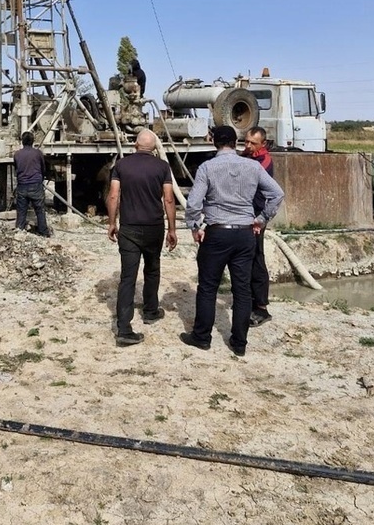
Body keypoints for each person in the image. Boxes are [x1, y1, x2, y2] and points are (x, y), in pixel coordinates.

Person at [182, 125, 284, 357]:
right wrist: (261, 219)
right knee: (242, 289)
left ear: (214, 142)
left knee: (208, 287)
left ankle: (202, 337)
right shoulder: (253, 166)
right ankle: (239, 343)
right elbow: (277, 194)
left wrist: (195, 227)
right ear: (237, 143)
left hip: (217, 232)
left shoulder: (207, 167)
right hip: (245, 233)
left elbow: (194, 203)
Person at [107, 129, 177, 347]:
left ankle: (124, 329)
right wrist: (172, 229)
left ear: (135, 145)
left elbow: (113, 195)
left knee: (128, 277)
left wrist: (111, 223)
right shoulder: (162, 167)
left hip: (129, 228)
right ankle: (150, 310)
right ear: (154, 148)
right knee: (152, 269)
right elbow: (168, 199)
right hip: (153, 227)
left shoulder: (121, 166)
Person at [244, 126, 274, 327]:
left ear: (262, 144)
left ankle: (262, 307)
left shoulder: (264, 162)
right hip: (244, 216)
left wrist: (260, 219)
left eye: (252, 143)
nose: (247, 146)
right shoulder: (247, 156)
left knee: (256, 258)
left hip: (256, 217)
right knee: (244, 258)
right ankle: (248, 300)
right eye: (246, 141)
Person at [13, 131, 50, 237]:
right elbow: (43, 169)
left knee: (21, 210)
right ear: (33, 141)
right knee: (40, 210)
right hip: (36, 185)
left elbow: (16, 168)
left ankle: (19, 231)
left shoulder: (17, 154)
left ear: (22, 141)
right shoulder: (38, 153)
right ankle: (43, 232)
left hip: (22, 186)